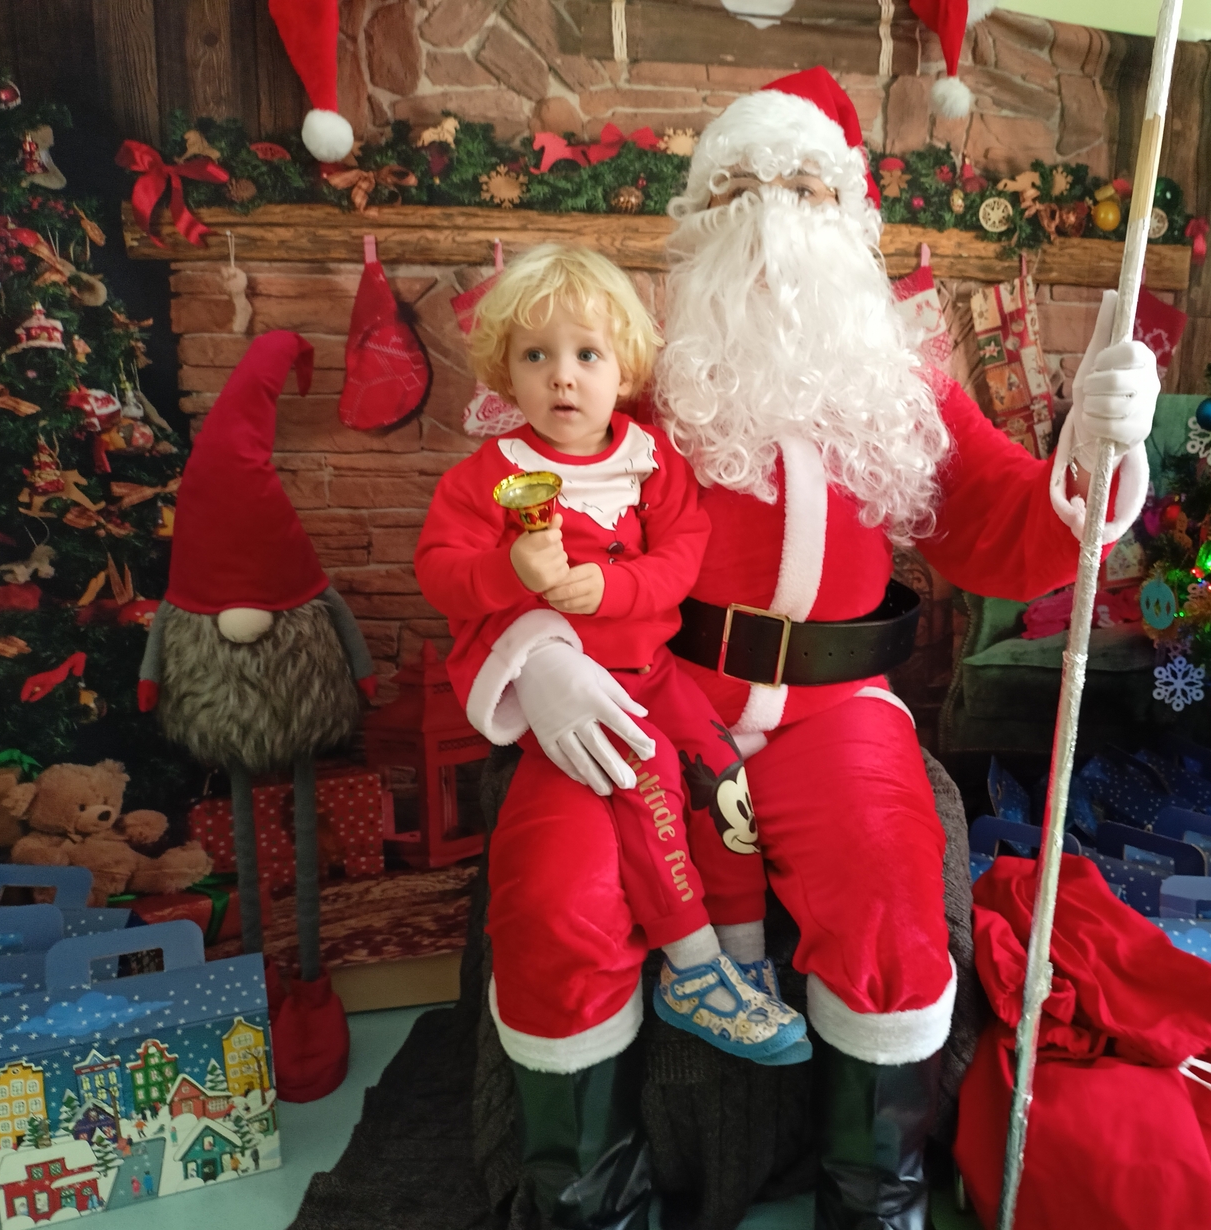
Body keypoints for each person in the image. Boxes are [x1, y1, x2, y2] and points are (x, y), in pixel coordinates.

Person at [465, 72, 1160, 1230]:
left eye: (802, 184)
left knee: (889, 903)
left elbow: (1001, 525)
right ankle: (587, 1211)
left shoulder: (903, 380)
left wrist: (1095, 453)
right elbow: (503, 525)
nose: (770, 213)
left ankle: (872, 1206)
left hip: (835, 708)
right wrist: (540, 653)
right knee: (554, 899)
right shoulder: (627, 376)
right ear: (695, 220)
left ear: (851, 216)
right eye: (737, 186)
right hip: (646, 693)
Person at [415, 244, 809, 1082]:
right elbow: (440, 574)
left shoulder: (652, 460)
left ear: (624, 367)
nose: (563, 376)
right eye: (537, 356)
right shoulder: (488, 477)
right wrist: (509, 572)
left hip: (654, 673)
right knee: (650, 776)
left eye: (587, 355)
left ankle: (743, 954)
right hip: (565, 691)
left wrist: (613, 588)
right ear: (507, 373)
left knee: (721, 773)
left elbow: (682, 558)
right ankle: (691, 967)